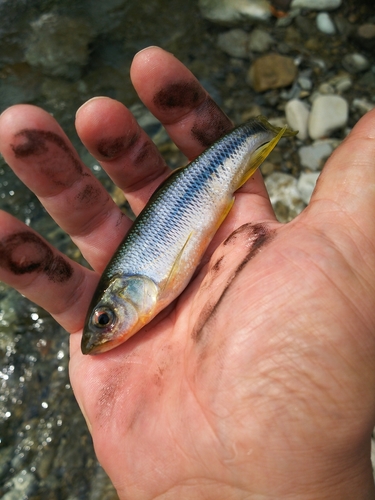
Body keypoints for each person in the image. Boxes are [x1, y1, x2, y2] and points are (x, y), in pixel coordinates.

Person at [0, 46, 374, 499]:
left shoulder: (142, 287)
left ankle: (257, 133)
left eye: (105, 320)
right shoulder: (143, 296)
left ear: (122, 293)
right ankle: (260, 131)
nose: (106, 330)